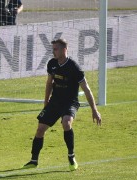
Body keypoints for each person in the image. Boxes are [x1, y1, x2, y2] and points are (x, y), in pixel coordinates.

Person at [25, 38, 101, 170]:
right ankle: (33, 160)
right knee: (40, 129)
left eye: (56, 49)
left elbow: (86, 89)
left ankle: (71, 156)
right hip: (55, 102)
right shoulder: (52, 64)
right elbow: (49, 83)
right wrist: (46, 102)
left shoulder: (74, 68)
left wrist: (94, 110)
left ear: (64, 49)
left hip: (70, 103)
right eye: (53, 49)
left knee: (66, 123)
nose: (53, 52)